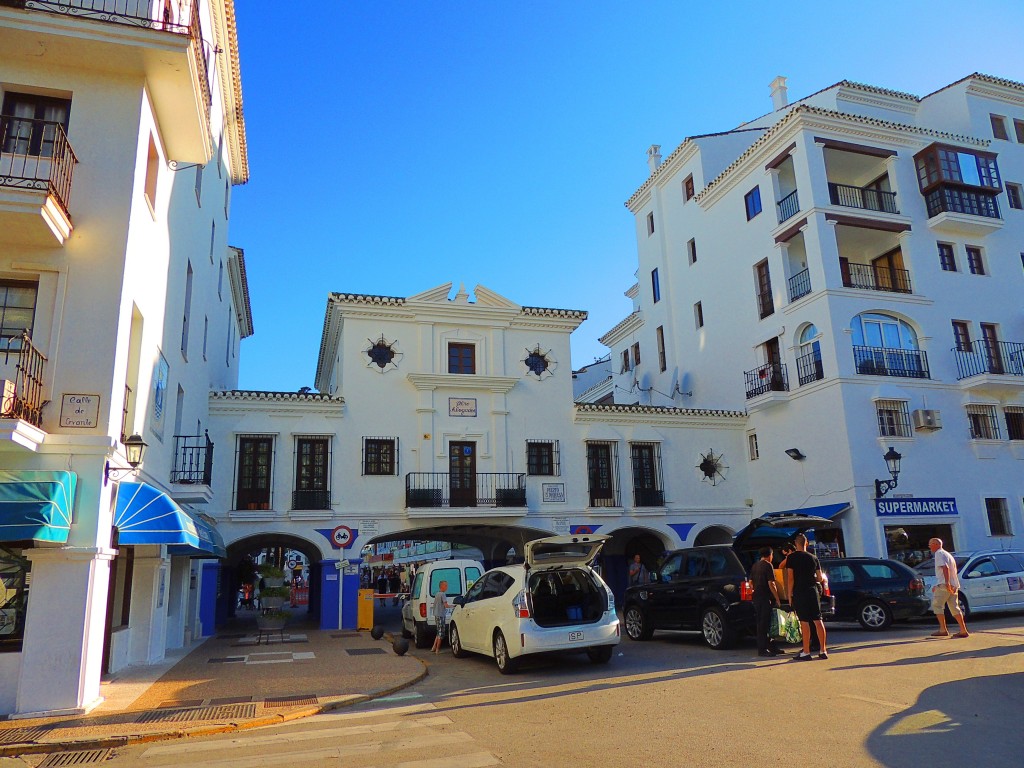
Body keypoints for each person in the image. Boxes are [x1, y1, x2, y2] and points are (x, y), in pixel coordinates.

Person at [786, 533, 828, 660]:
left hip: (800, 591)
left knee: (804, 622)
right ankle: (823, 650)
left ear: (795, 543)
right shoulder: (813, 558)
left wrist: (789, 594)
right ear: (806, 543)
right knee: (818, 620)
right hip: (813, 591)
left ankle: (806, 651)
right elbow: (820, 578)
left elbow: (790, 578)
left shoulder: (791, 558)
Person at [928, 538, 969, 638]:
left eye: (930, 544)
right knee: (954, 607)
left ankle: (943, 629)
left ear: (936, 544)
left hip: (945, 584)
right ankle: (963, 630)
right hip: (954, 584)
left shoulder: (939, 553)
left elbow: (945, 567)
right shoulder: (948, 554)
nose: (929, 546)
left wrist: (946, 583)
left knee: (937, 605)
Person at [749, 546, 784, 657]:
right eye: (772, 555)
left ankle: (771, 647)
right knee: (765, 624)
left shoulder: (755, 565)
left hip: (756, 597)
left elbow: (750, 582)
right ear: (770, 555)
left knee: (763, 623)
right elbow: (771, 583)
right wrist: (777, 598)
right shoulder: (768, 565)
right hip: (765, 597)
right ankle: (762, 649)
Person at [431, 580, 451, 654]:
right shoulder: (443, 594)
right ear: (441, 586)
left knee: (438, 632)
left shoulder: (437, 594)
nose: (447, 587)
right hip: (441, 615)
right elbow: (446, 605)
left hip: (436, 615)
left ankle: (434, 647)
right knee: (440, 633)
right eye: (445, 585)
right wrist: (453, 606)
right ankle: (437, 649)